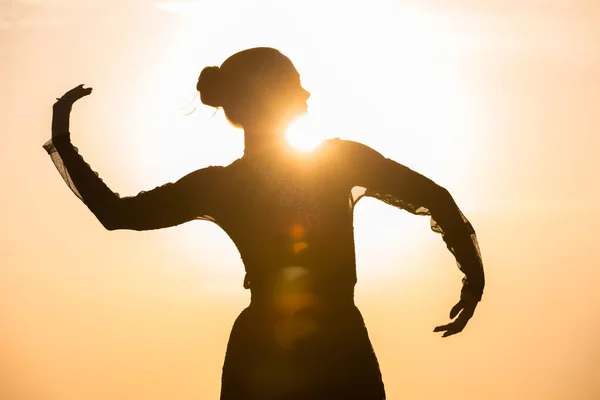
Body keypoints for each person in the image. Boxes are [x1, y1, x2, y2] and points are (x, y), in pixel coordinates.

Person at [44, 47, 485, 399]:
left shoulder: (232, 184)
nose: (307, 95)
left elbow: (116, 215)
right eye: (295, 85)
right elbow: (436, 199)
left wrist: (63, 142)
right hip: (329, 347)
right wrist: (472, 278)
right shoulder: (335, 162)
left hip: (282, 346)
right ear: (268, 95)